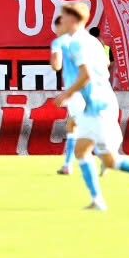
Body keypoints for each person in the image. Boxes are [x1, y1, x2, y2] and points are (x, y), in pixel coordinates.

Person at [52, 0, 129, 211]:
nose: (59, 21)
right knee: (83, 151)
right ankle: (98, 200)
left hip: (98, 104)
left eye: (63, 17)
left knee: (110, 161)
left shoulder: (78, 43)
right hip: (94, 103)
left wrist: (67, 93)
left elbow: (87, 75)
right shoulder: (91, 42)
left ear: (72, 20)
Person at [49, 12, 83, 176]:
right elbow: (105, 63)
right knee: (80, 124)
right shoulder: (90, 41)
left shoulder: (60, 42)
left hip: (77, 88)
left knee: (74, 125)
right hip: (99, 87)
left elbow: (56, 65)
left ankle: (69, 164)